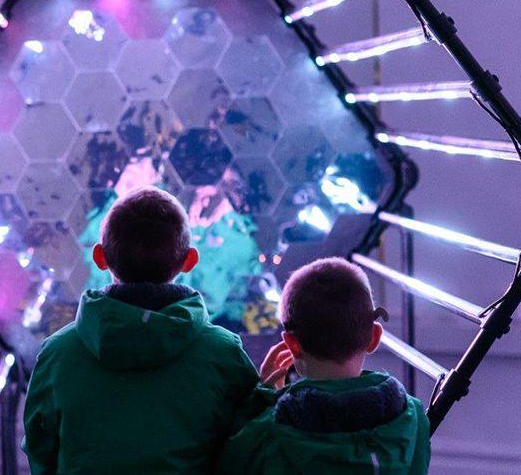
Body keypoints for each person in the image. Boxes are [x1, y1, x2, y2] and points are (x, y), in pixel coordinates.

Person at [22, 187, 259, 474]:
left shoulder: (57, 355)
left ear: (100, 257)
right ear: (189, 260)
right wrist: (267, 394)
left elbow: (40, 450)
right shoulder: (223, 353)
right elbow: (248, 449)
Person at [217, 257, 430, 474]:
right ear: (374, 337)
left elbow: (228, 463)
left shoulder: (266, 435)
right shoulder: (413, 419)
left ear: (291, 344)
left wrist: (260, 402)